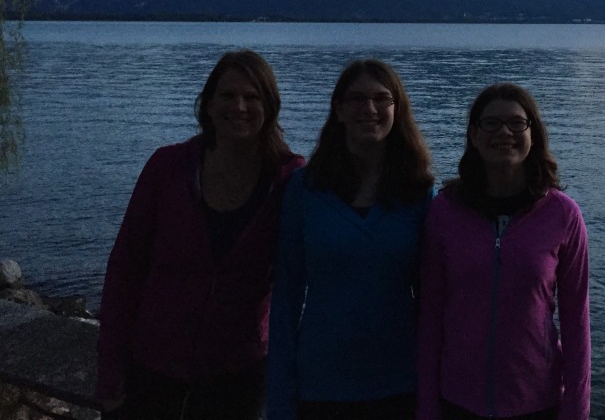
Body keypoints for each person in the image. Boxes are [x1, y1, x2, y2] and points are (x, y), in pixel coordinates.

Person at [95, 50, 305, 420]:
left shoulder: (289, 181)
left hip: (238, 376)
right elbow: (125, 271)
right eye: (227, 96)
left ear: (270, 107)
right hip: (151, 367)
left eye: (252, 97)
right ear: (207, 104)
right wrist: (111, 371)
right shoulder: (167, 168)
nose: (238, 106)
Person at [267, 59, 435, 420]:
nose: (369, 109)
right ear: (339, 110)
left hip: (400, 385)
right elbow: (286, 295)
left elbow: (431, 299)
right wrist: (279, 398)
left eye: (381, 99)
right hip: (321, 385)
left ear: (397, 110)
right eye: (357, 99)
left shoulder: (418, 193)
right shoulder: (305, 189)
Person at [417, 83, 591, 420]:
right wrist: (427, 407)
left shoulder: (563, 215)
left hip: (537, 402)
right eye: (491, 123)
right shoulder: (445, 211)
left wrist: (576, 411)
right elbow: (430, 316)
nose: (504, 132)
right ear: (474, 134)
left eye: (516, 123)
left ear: (533, 133)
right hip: (457, 400)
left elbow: (576, 325)